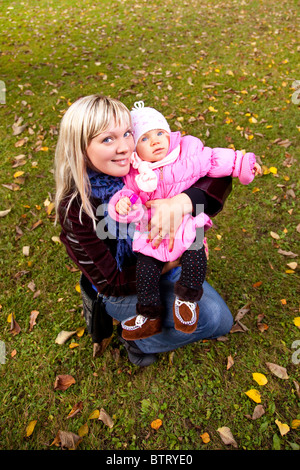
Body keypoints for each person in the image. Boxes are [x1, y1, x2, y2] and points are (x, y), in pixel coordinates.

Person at [55, 94, 234, 367]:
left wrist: (181, 203)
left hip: (166, 264)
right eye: (107, 139)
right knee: (213, 317)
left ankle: (151, 325)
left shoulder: (145, 166)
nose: (125, 147)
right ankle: (137, 340)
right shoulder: (76, 209)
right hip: (125, 286)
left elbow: (217, 174)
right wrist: (174, 258)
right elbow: (112, 283)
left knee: (219, 319)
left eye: (127, 133)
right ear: (80, 148)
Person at [109, 101, 261, 341]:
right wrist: (123, 206)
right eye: (145, 139)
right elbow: (130, 200)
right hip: (154, 231)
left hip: (190, 223)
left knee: (196, 255)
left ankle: (186, 299)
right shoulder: (136, 173)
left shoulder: (187, 152)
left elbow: (215, 159)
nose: (156, 141)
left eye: (160, 133)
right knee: (146, 270)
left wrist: (242, 163)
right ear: (136, 149)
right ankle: (149, 314)